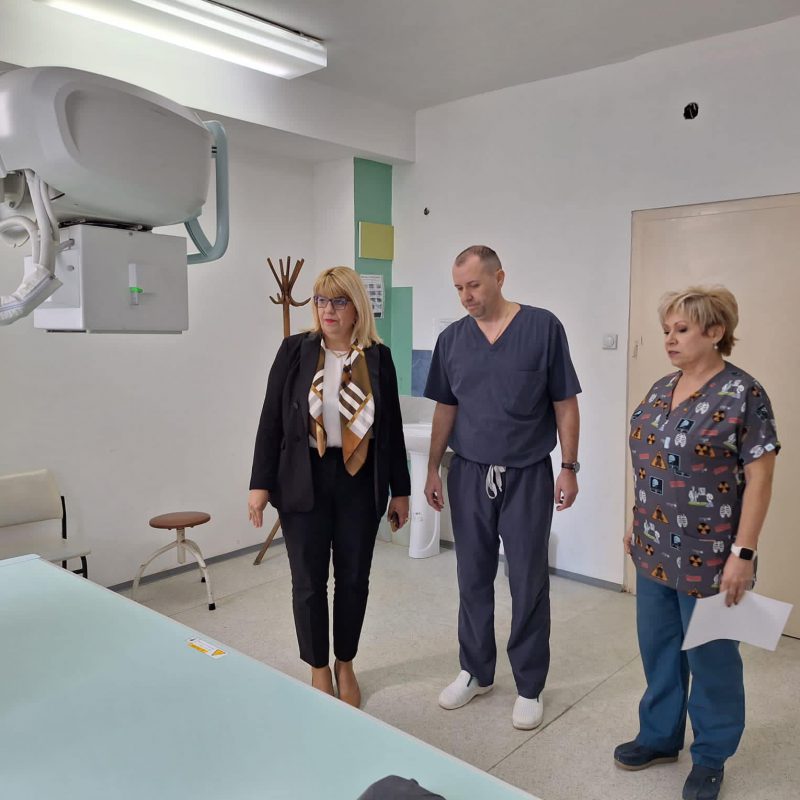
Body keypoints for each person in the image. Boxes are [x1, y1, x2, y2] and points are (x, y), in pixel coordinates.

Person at [616, 286, 779, 800]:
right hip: (653, 544)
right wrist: (636, 518)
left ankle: (711, 755)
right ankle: (660, 736)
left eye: (681, 330)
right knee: (658, 648)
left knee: (712, 659)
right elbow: (649, 460)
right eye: (666, 330)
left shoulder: (743, 393)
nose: (669, 339)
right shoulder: (662, 387)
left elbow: (760, 479)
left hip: (712, 558)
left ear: (715, 332)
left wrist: (743, 554)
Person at [423, 245, 581, 730]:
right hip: (469, 472)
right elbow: (446, 407)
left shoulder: (542, 328)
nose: (465, 296)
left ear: (499, 278)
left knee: (527, 579)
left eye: (473, 285)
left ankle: (529, 685)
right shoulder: (452, 340)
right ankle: (475, 670)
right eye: (458, 288)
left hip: (527, 473)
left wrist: (569, 467)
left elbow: (565, 403)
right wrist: (432, 468)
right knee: (471, 575)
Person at [248, 266, 410, 707]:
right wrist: (259, 484)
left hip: (360, 479)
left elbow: (391, 429)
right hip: (304, 478)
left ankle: (345, 663)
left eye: (339, 301)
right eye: (321, 300)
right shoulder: (294, 350)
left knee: (354, 579)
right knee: (308, 581)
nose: (328, 310)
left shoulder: (378, 357)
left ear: (357, 307)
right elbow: (271, 419)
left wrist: (401, 490)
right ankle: (318, 666)